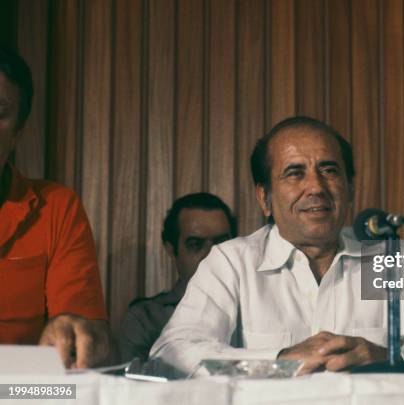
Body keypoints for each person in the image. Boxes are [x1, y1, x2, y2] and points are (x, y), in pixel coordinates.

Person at [150, 116, 404, 374]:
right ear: (265, 197)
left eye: (329, 170)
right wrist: (279, 361)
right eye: (294, 173)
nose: (315, 187)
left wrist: (385, 358)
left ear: (349, 188)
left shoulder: (392, 258)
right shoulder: (231, 262)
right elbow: (173, 353)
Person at [0, 47, 109, 368]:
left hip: (19, 390)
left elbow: (93, 343)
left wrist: (76, 334)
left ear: (17, 131)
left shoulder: (56, 207)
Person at [119, 192, 235, 361]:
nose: (211, 255)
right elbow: (130, 384)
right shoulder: (145, 318)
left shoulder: (252, 310)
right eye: (195, 245)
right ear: (171, 250)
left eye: (221, 244)